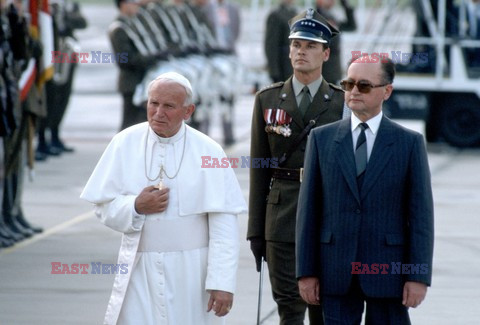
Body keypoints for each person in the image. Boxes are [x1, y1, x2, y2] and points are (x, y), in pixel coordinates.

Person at [81, 72, 246, 324]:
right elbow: (102, 207)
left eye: (168, 106)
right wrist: (135, 206)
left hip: (192, 272)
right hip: (140, 269)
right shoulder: (124, 143)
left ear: (188, 111)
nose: (158, 112)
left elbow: (224, 226)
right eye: (153, 103)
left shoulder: (209, 151)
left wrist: (222, 283)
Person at [296, 57, 434, 323]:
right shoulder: (321, 140)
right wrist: (306, 272)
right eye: (348, 84)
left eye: (364, 85)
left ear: (387, 91)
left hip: (388, 274)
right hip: (335, 271)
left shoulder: (409, 144)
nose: (354, 91)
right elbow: (308, 212)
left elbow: (421, 219)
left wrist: (418, 276)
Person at [247, 9, 344, 324]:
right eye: (296, 45)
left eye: (311, 46)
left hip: (326, 214)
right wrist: (256, 231)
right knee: (289, 307)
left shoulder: (342, 103)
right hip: (282, 215)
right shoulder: (268, 100)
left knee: (324, 305)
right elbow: (259, 171)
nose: (301, 51)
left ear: (326, 53)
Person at [109, 0, 163, 131]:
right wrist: (149, 59)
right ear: (123, 5)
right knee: (129, 126)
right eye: (133, 2)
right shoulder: (118, 28)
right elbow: (124, 60)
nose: (136, 6)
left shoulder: (132, 24)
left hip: (141, 80)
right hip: (131, 83)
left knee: (141, 126)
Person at [316, 0, 356, 84]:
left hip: (334, 71)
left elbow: (351, 26)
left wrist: (344, 4)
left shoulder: (332, 18)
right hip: (322, 72)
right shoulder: (316, 18)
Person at [264, 0, 297, 83]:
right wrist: (274, 71)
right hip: (282, 68)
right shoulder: (275, 15)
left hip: (293, 67)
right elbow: (271, 45)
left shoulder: (294, 13)